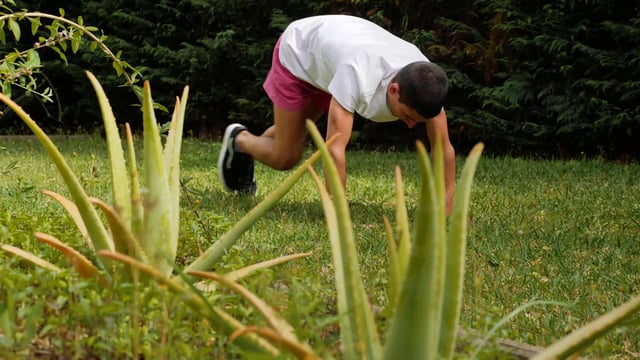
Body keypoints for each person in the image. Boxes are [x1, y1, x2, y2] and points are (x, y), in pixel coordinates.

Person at [218, 14, 456, 213]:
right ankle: (240, 141)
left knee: (293, 132)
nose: (411, 125)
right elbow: (334, 148)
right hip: (298, 53)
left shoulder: (425, 82)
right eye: (408, 116)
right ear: (394, 90)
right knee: (286, 156)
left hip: (331, 59)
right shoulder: (357, 74)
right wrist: (338, 214)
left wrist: (445, 210)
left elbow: (442, 146)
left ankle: (247, 143)